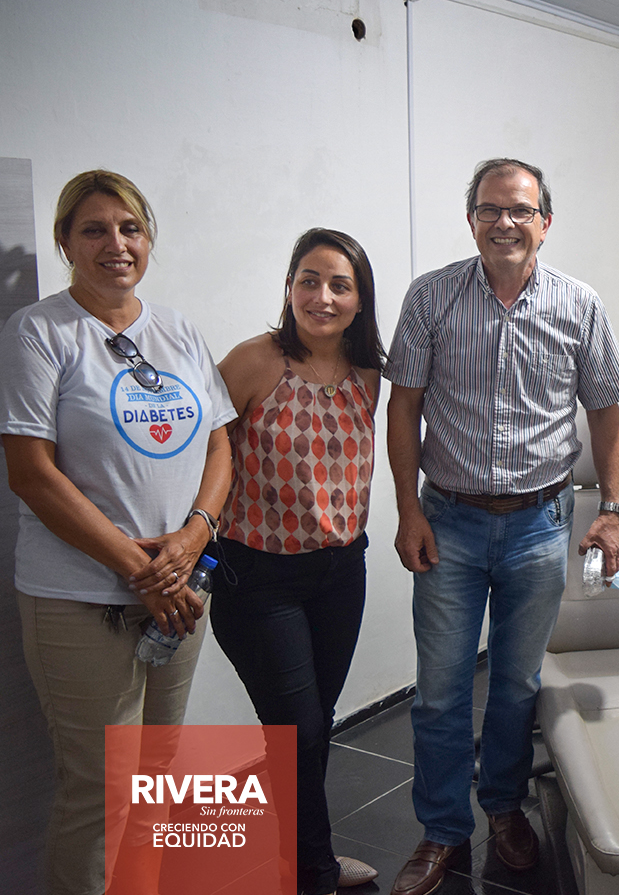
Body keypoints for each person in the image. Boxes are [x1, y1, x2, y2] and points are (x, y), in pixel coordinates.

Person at [385, 158, 619, 895]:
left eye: (521, 210)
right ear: (471, 221)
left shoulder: (580, 305)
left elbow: (606, 413)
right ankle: (441, 829)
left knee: (517, 684)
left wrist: (611, 508)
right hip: (449, 523)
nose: (505, 223)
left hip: (538, 526)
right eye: (491, 209)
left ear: (544, 223)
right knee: (439, 690)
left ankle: (503, 807)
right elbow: (403, 407)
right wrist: (406, 509)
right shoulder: (430, 297)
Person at [0, 171, 234, 895]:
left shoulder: (177, 329)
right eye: (94, 229)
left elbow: (220, 445)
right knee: (101, 791)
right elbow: (31, 473)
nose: (116, 244)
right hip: (81, 599)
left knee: (158, 774)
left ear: (148, 238)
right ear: (65, 241)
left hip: (181, 590)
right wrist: (141, 568)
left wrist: (194, 536)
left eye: (130, 228)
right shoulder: (40, 332)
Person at [210, 228, 386, 895]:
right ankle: (313, 871)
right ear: (289, 288)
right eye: (309, 280)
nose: (323, 296)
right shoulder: (253, 362)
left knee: (310, 728)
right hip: (259, 575)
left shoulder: (366, 373)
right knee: (299, 729)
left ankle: (299, 855)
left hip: (341, 573)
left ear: (360, 300)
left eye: (340, 285)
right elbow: (204, 456)